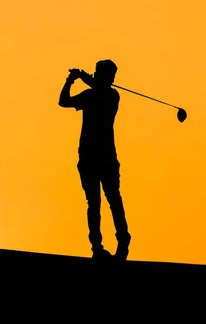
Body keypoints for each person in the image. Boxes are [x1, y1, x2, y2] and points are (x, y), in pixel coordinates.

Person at [58, 59, 131, 261]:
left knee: (103, 202)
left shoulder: (100, 96)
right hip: (99, 157)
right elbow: (64, 101)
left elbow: (64, 100)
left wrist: (73, 79)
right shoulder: (109, 95)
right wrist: (79, 78)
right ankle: (106, 245)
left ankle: (110, 244)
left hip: (96, 158)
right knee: (104, 201)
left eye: (98, 72)